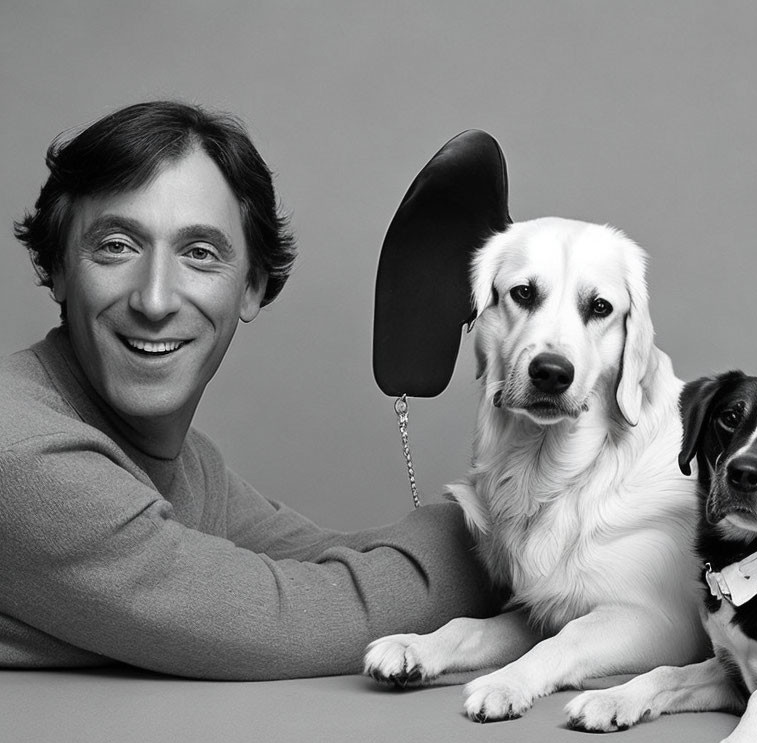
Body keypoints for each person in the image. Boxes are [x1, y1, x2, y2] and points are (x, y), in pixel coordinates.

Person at [0, 101, 502, 680]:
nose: (155, 299)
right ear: (60, 268)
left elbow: (346, 559)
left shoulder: (185, 467)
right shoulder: (25, 458)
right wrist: (504, 526)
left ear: (252, 288)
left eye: (199, 254)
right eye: (117, 245)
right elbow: (292, 621)